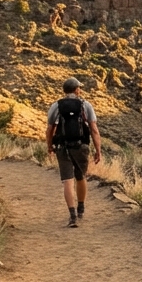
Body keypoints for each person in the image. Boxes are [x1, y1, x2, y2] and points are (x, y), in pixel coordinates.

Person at [46, 77, 102, 228]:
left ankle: (72, 216)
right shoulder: (85, 105)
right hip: (80, 146)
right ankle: (81, 209)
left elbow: (50, 128)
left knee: (67, 181)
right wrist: (98, 150)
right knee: (80, 177)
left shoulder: (56, 106)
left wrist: (50, 145)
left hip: (62, 147)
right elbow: (94, 130)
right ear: (77, 89)